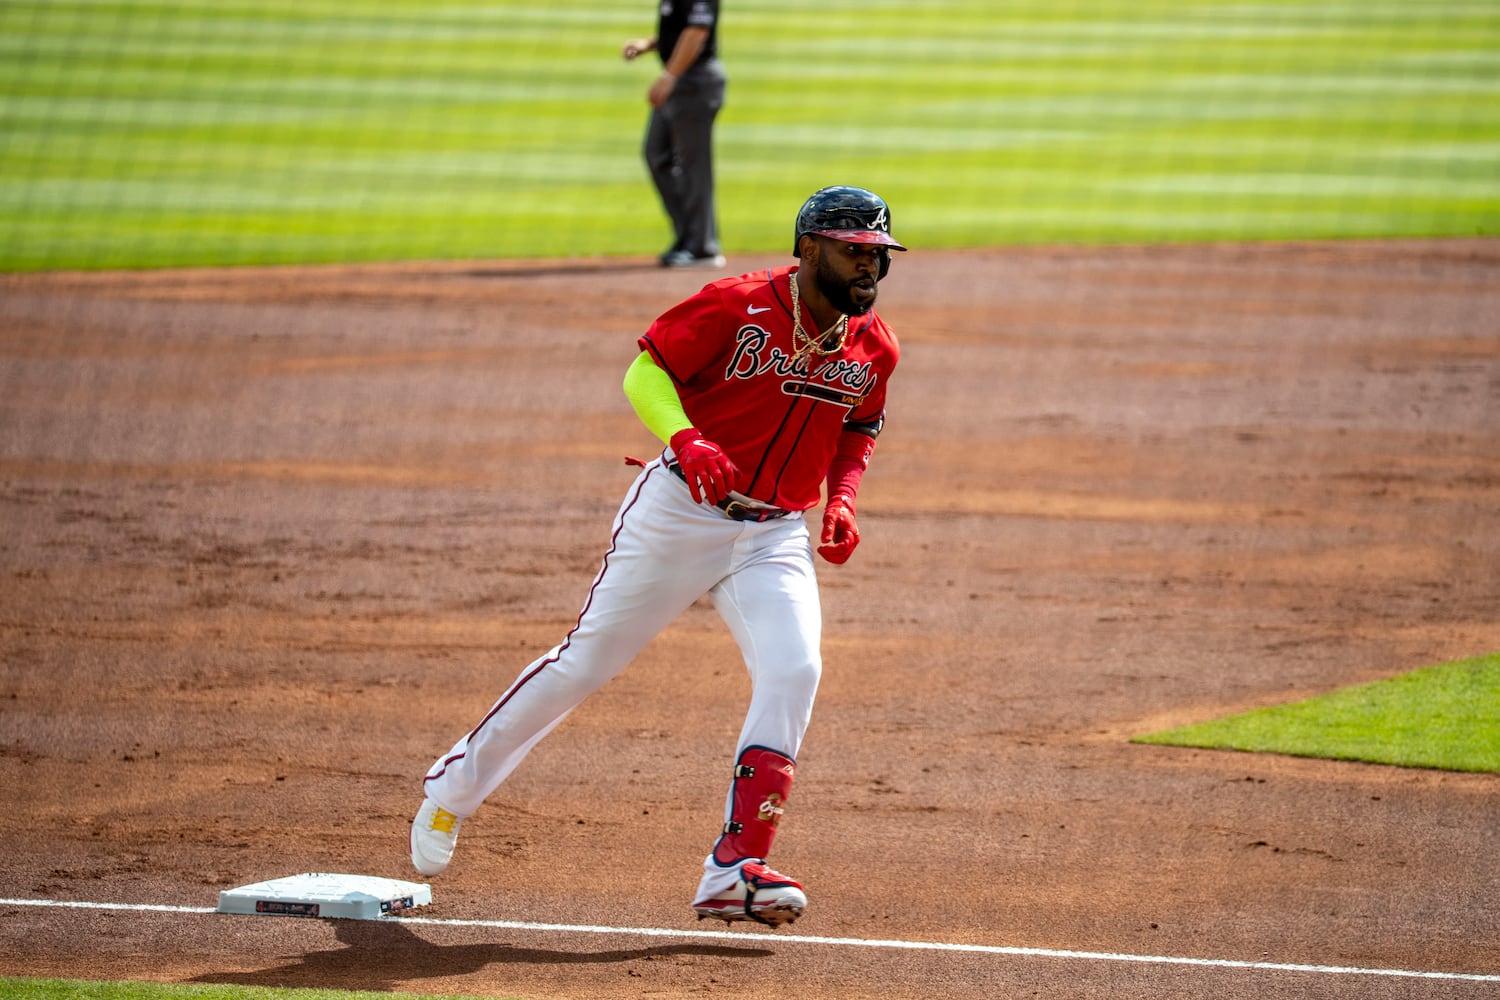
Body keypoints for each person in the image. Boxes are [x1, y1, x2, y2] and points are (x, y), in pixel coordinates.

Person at [410, 186, 907, 927]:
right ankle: (452, 789)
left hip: (772, 535)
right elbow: (646, 371)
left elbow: (859, 428)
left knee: (795, 668)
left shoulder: (874, 345)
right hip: (679, 512)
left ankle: (734, 867)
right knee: (586, 663)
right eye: (852, 250)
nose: (868, 266)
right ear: (807, 248)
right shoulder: (736, 304)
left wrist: (842, 501)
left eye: (877, 254)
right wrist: (687, 438)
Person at [621, 1, 726, 269]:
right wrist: (648, 44)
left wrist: (669, 75)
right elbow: (679, 31)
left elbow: (697, 31)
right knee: (656, 154)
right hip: (682, 79)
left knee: (694, 166)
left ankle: (702, 247)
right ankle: (688, 237)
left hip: (695, 81)